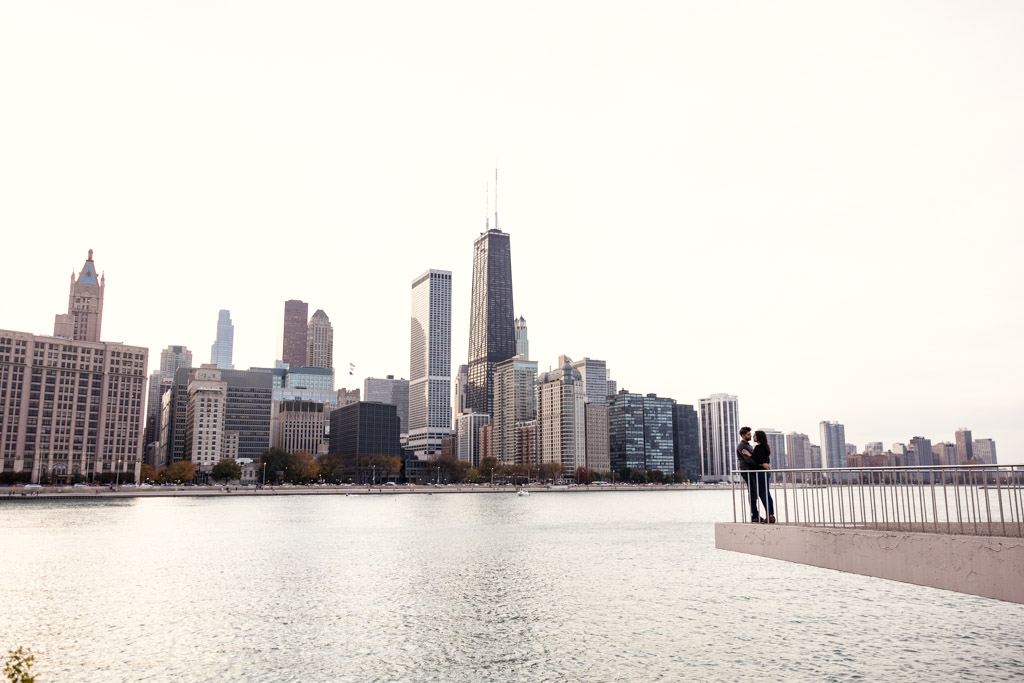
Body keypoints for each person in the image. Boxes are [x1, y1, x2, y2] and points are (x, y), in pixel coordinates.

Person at [736, 427, 761, 522]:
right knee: (752, 492)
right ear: (743, 436)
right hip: (747, 471)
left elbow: (753, 457)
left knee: (754, 492)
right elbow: (748, 460)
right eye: (748, 434)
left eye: (750, 434)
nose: (750, 436)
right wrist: (759, 464)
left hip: (751, 471)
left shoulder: (748, 445)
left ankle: (755, 514)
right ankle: (754, 515)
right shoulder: (741, 446)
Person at [752, 430, 776, 524]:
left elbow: (758, 460)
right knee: (767, 494)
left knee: (762, 494)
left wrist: (749, 455)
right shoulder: (765, 447)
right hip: (766, 472)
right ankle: (771, 515)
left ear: (759, 437)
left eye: (755, 436)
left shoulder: (758, 447)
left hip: (761, 473)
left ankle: (769, 516)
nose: (753, 437)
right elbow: (765, 460)